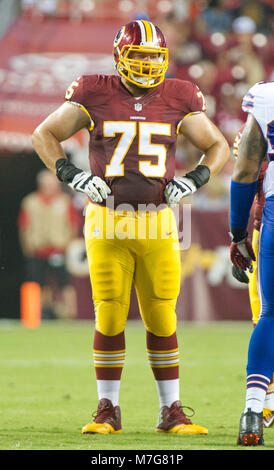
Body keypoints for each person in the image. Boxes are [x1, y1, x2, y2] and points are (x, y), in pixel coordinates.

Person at [32, 19, 230, 435]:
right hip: (108, 219)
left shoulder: (179, 95)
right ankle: (108, 409)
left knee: (162, 315)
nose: (146, 65)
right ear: (120, 56)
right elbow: (43, 135)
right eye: (139, 56)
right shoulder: (93, 90)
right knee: (109, 314)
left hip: (157, 220)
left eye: (154, 57)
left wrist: (194, 178)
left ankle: (170, 410)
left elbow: (218, 145)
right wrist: (70, 172)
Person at [230, 80, 274, 446]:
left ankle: (254, 408)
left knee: (271, 315)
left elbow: (245, 169)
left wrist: (235, 232)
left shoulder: (266, 98)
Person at [18, 169, 78, 320]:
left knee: (65, 283)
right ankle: (40, 313)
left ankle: (69, 314)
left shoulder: (64, 201)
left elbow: (73, 224)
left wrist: (68, 244)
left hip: (59, 249)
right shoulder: (30, 202)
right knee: (38, 283)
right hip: (38, 249)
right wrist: (28, 246)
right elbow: (24, 226)